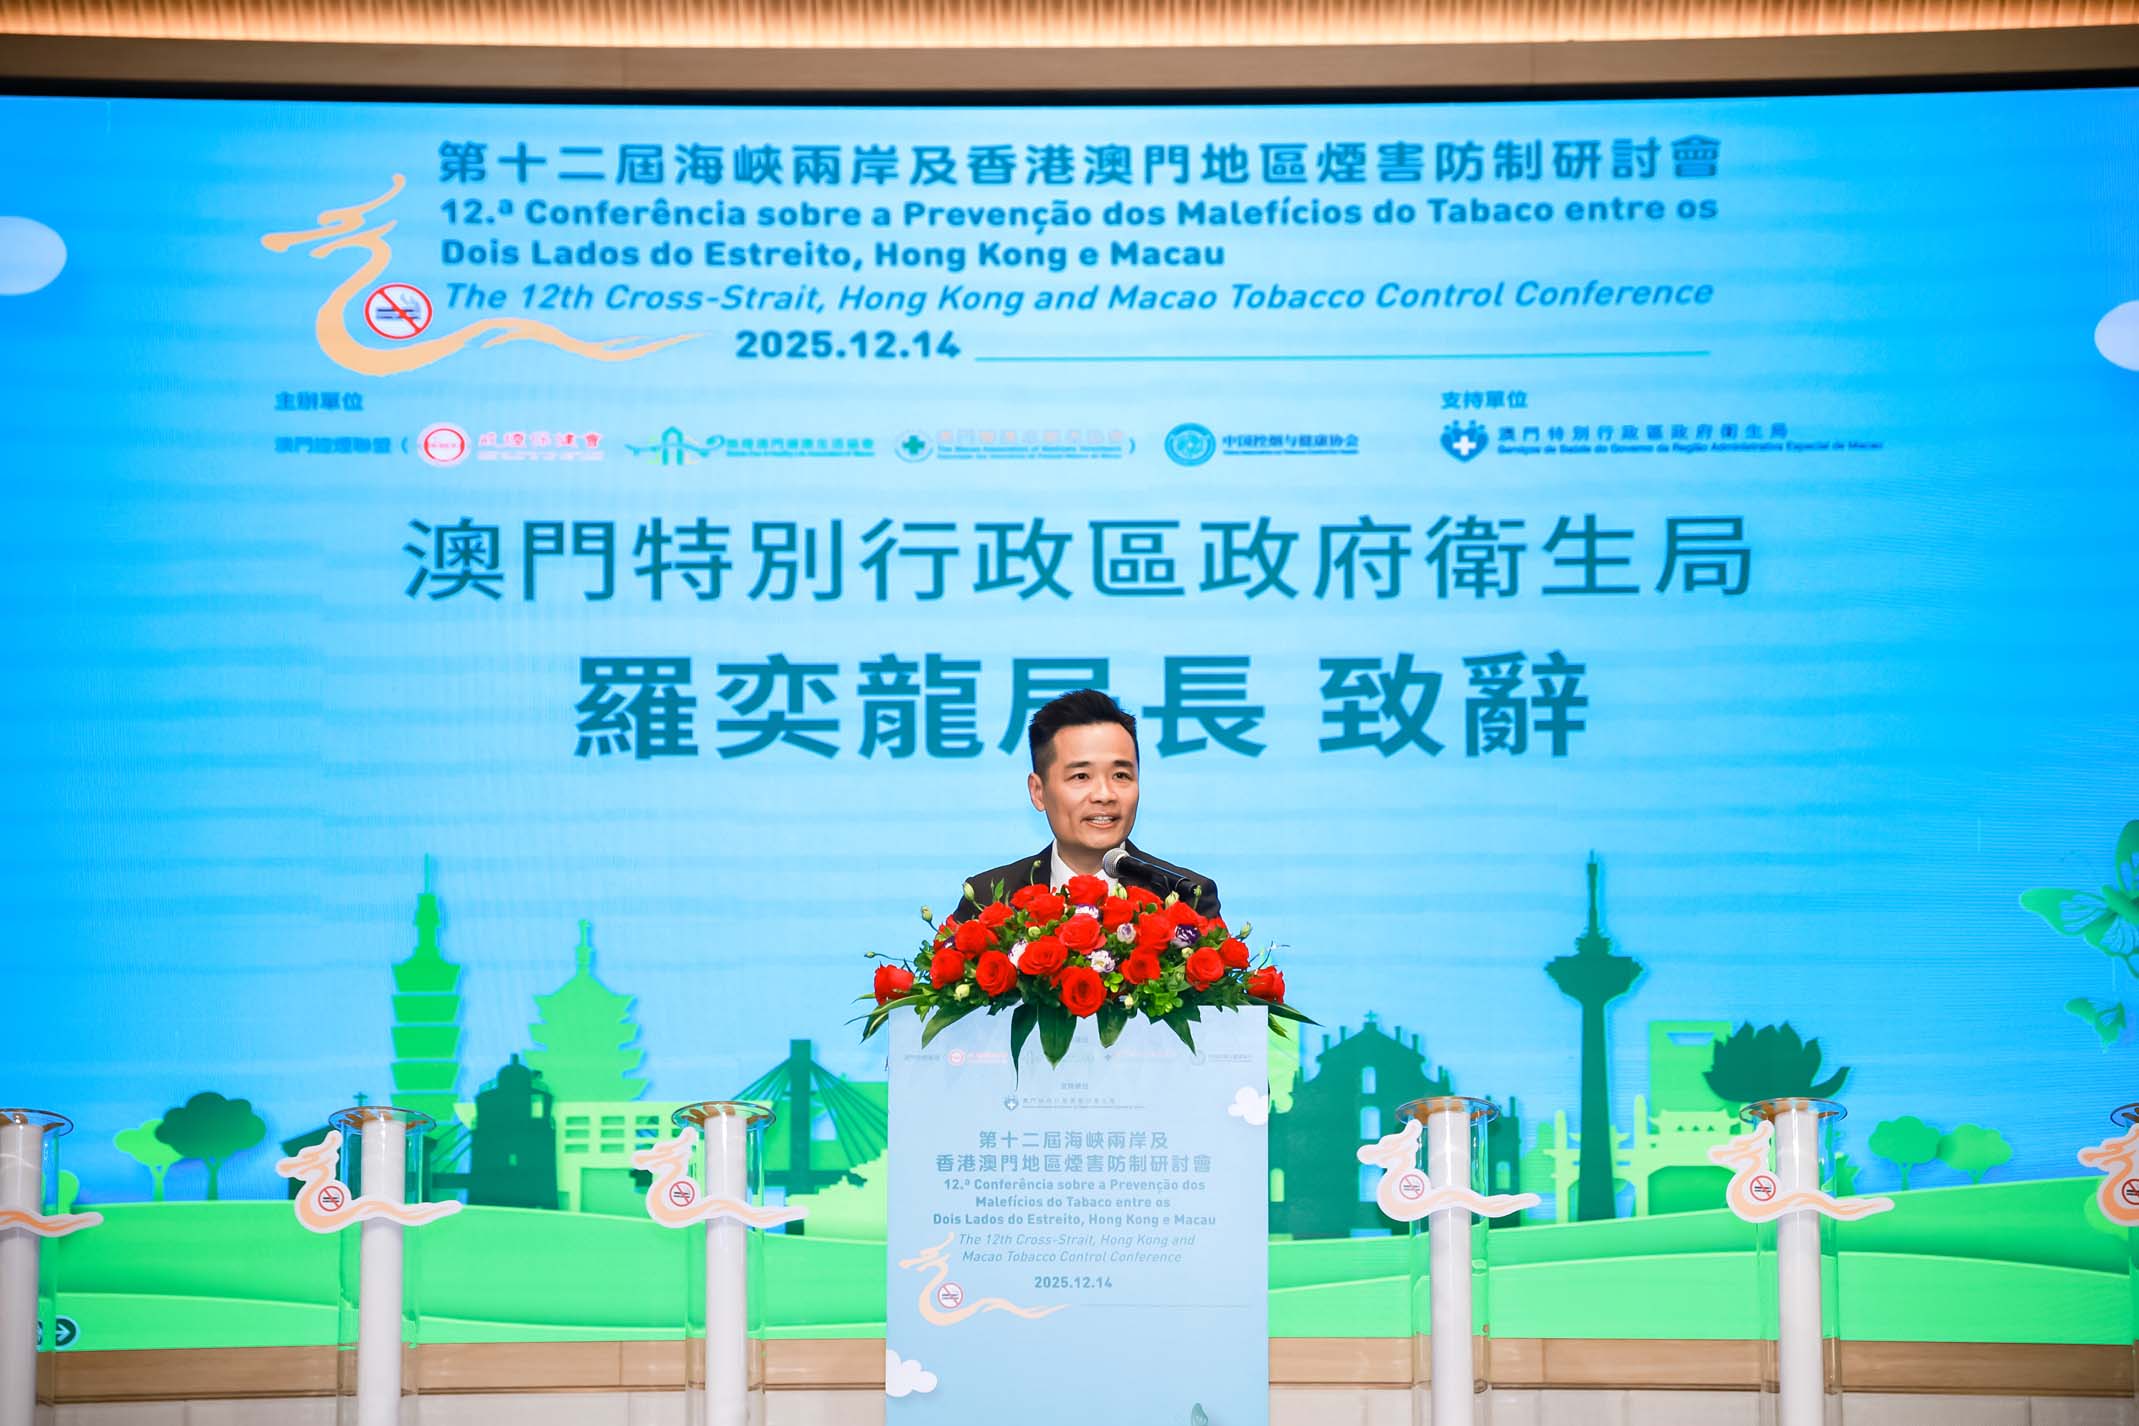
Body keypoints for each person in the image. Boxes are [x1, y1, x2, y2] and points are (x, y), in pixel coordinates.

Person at [951, 688, 1220, 921]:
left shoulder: (1185, 897)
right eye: (1081, 776)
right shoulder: (987, 901)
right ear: (1038, 792)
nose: (1104, 794)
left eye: (1121, 776)